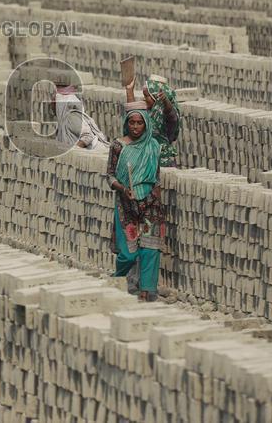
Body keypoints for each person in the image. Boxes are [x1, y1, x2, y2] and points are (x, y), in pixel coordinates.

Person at [107, 104, 163, 302]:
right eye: (132, 122)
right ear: (126, 123)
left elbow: (156, 177)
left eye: (140, 123)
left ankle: (147, 289)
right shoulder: (118, 146)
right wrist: (123, 189)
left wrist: (151, 196)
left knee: (150, 248)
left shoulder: (153, 146)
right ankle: (118, 280)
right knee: (128, 253)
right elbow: (110, 175)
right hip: (126, 204)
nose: (136, 127)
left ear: (146, 125)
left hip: (150, 205)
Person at [125, 74, 180, 167]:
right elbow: (133, 115)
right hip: (145, 160)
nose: (144, 99)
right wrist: (129, 91)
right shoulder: (148, 114)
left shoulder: (164, 117)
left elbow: (172, 116)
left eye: (147, 96)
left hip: (161, 162)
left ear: (156, 97)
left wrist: (165, 101)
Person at [54, 84, 108, 151]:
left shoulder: (71, 117)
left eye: (54, 103)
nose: (52, 106)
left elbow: (88, 136)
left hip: (97, 151)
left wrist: (73, 150)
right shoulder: (63, 120)